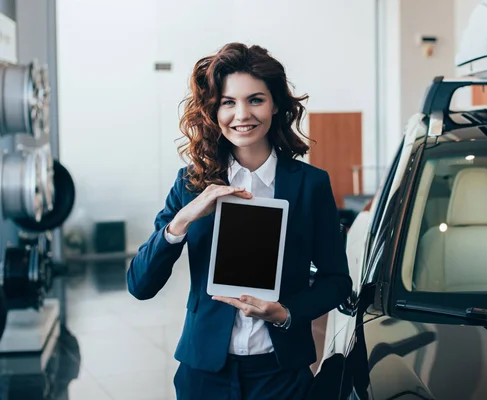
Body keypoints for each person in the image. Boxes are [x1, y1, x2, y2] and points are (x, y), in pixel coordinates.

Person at [126, 42, 352, 400]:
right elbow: (140, 284)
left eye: (255, 100)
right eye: (228, 102)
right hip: (204, 373)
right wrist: (183, 220)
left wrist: (286, 313)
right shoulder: (190, 183)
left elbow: (337, 281)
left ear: (276, 104)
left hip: (281, 373)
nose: (242, 114)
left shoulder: (310, 184)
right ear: (214, 110)